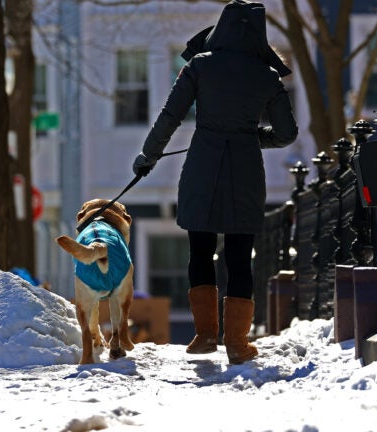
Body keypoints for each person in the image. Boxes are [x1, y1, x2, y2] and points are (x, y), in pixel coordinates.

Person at [132, 0, 298, 364]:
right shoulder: (266, 76)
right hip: (245, 171)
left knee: (200, 251)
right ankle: (237, 343)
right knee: (240, 258)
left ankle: (205, 336)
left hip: (202, 166)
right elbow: (287, 134)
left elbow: (169, 116)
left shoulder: (200, 67)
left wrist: (148, 156)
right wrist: (252, 136)